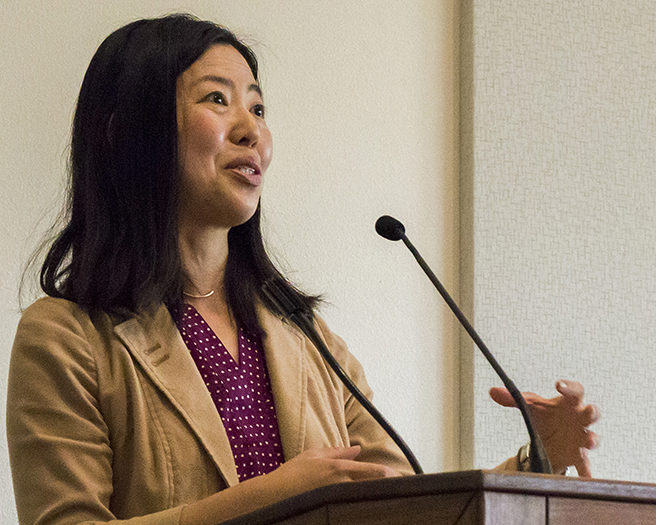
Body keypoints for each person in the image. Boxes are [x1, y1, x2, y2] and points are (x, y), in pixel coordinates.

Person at [6, 13, 599, 525]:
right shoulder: (65, 339)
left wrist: (533, 460)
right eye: (218, 99)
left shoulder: (309, 340)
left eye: (258, 106)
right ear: (123, 133)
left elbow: (401, 511)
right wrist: (275, 497)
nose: (252, 130)